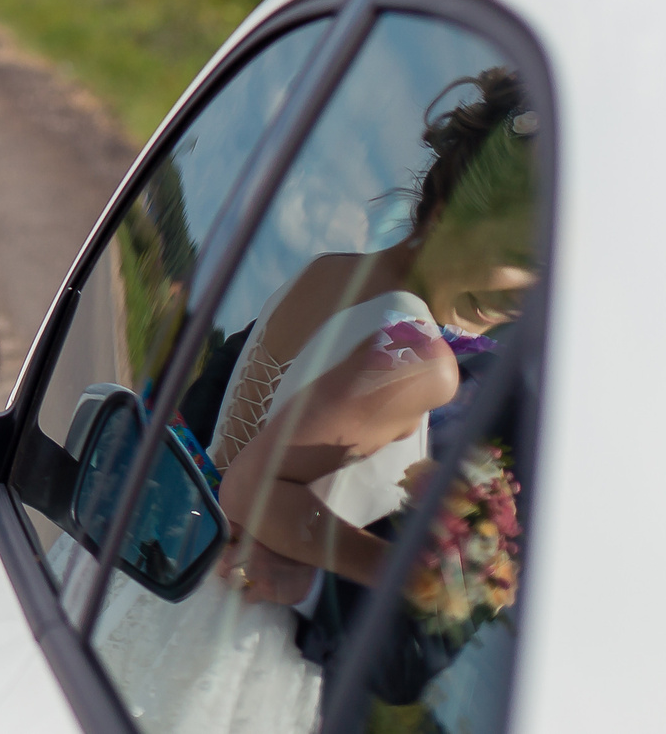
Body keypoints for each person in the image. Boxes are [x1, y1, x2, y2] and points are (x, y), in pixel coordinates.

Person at [86, 70, 540, 734]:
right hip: (237, 643)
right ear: (448, 206)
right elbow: (252, 488)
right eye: (518, 256)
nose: (529, 293)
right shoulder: (422, 361)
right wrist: (405, 571)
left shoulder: (328, 271)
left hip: (171, 587)